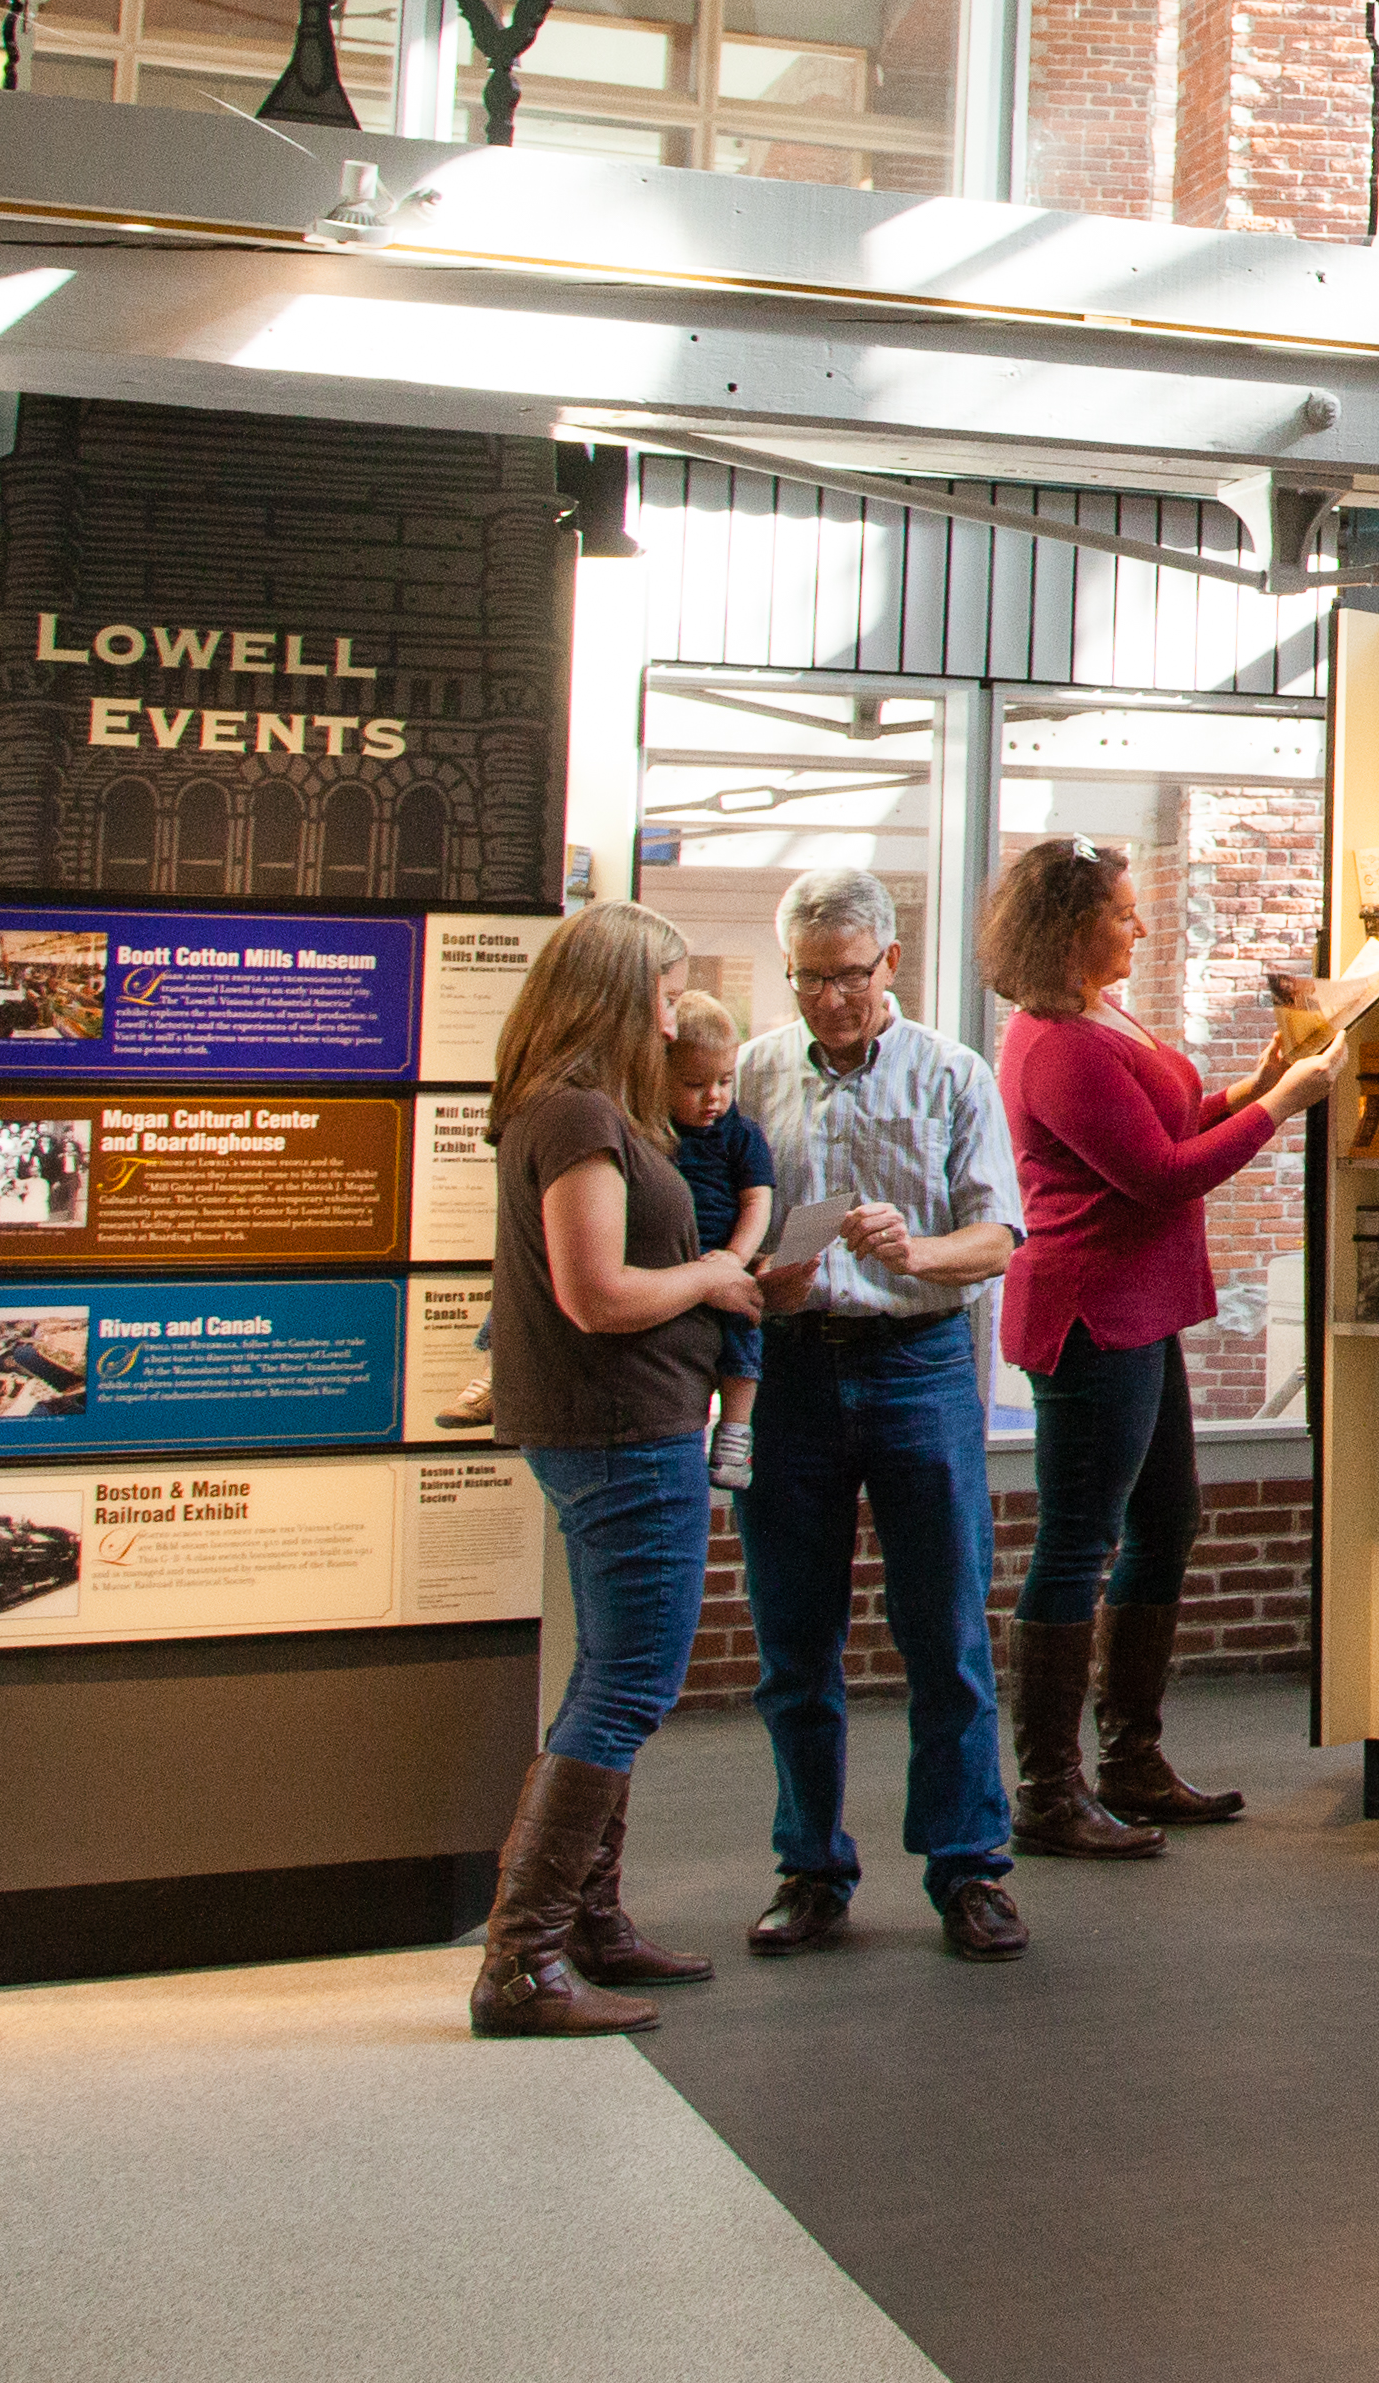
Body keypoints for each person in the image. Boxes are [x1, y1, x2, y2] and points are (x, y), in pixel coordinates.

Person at [983, 838, 1365, 1851]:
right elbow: (1157, 1174)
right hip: (1091, 1314)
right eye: (1122, 911)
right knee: (1078, 1541)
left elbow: (1161, 1125)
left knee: (1165, 1521)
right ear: (1072, 927)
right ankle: (1049, 1793)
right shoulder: (1057, 1044)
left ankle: (1130, 1761)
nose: (1140, 925)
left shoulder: (1097, 1015)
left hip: (1136, 1309)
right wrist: (1282, 1107)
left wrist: (1249, 1087)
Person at [468, 901, 764, 2038]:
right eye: (663, 995)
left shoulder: (568, 1108)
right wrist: (715, 1279)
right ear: (614, 996)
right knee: (630, 1681)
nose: (672, 1020)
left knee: (610, 1671)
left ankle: (587, 1923)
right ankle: (522, 1963)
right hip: (619, 1429)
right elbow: (597, 1295)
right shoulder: (579, 1114)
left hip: (619, 1424)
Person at [733, 864, 1033, 1961]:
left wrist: (919, 1250)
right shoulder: (753, 1073)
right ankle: (811, 1869)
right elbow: (726, 1228)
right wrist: (761, 1277)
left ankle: (969, 1869)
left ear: (890, 962)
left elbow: (996, 1239)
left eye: (849, 977)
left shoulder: (953, 1073)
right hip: (791, 1371)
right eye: (808, 979)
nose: (829, 1000)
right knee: (793, 1639)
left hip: (919, 1363)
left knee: (946, 1630)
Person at [665, 990, 776, 1496]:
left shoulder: (741, 1135)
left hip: (721, 1254)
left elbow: (757, 1201)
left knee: (744, 1327)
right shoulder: (652, 1130)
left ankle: (734, 1431)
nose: (714, 1096)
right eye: (695, 1084)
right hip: (667, 1262)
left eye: (725, 1081)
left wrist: (735, 1257)